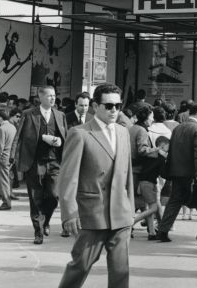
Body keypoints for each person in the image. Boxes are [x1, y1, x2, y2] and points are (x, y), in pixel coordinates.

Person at [57, 83, 136, 288]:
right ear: (95, 106)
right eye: (108, 106)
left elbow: (127, 174)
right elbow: (68, 176)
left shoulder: (123, 132)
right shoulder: (80, 133)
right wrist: (69, 213)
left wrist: (130, 209)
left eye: (118, 106)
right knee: (81, 265)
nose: (114, 110)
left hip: (120, 214)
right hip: (92, 212)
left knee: (120, 270)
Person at [12, 85, 68, 244]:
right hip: (35, 162)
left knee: (53, 196)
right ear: (40, 97)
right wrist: (12, 156)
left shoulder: (60, 115)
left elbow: (65, 137)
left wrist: (59, 142)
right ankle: (38, 231)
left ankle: (46, 220)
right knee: (35, 198)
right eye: (49, 95)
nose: (53, 98)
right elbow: (18, 137)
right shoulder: (28, 114)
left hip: (54, 161)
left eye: (54, 95)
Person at [157, 102, 197, 244]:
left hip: (176, 171)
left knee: (175, 201)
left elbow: (171, 150)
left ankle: (163, 230)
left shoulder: (178, 128)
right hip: (190, 172)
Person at [139, 136, 169, 240]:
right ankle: (132, 222)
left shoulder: (149, 154)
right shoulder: (160, 158)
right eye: (168, 146)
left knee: (150, 208)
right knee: (154, 208)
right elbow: (164, 174)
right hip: (149, 183)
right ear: (162, 145)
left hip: (143, 182)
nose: (168, 149)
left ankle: (152, 232)